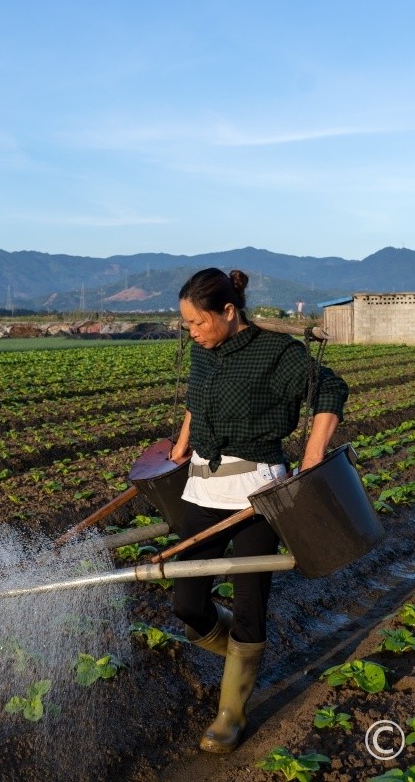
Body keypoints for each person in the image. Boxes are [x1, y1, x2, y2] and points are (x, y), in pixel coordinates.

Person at [167, 267, 349, 753]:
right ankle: (243, 655)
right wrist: (182, 445)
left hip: (257, 494)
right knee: (187, 602)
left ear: (229, 311)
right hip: (203, 490)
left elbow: (330, 390)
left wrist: (312, 458)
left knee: (250, 604)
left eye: (198, 322)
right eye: (187, 323)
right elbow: (195, 401)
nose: (192, 331)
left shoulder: (277, 354)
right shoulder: (203, 352)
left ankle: (231, 713)